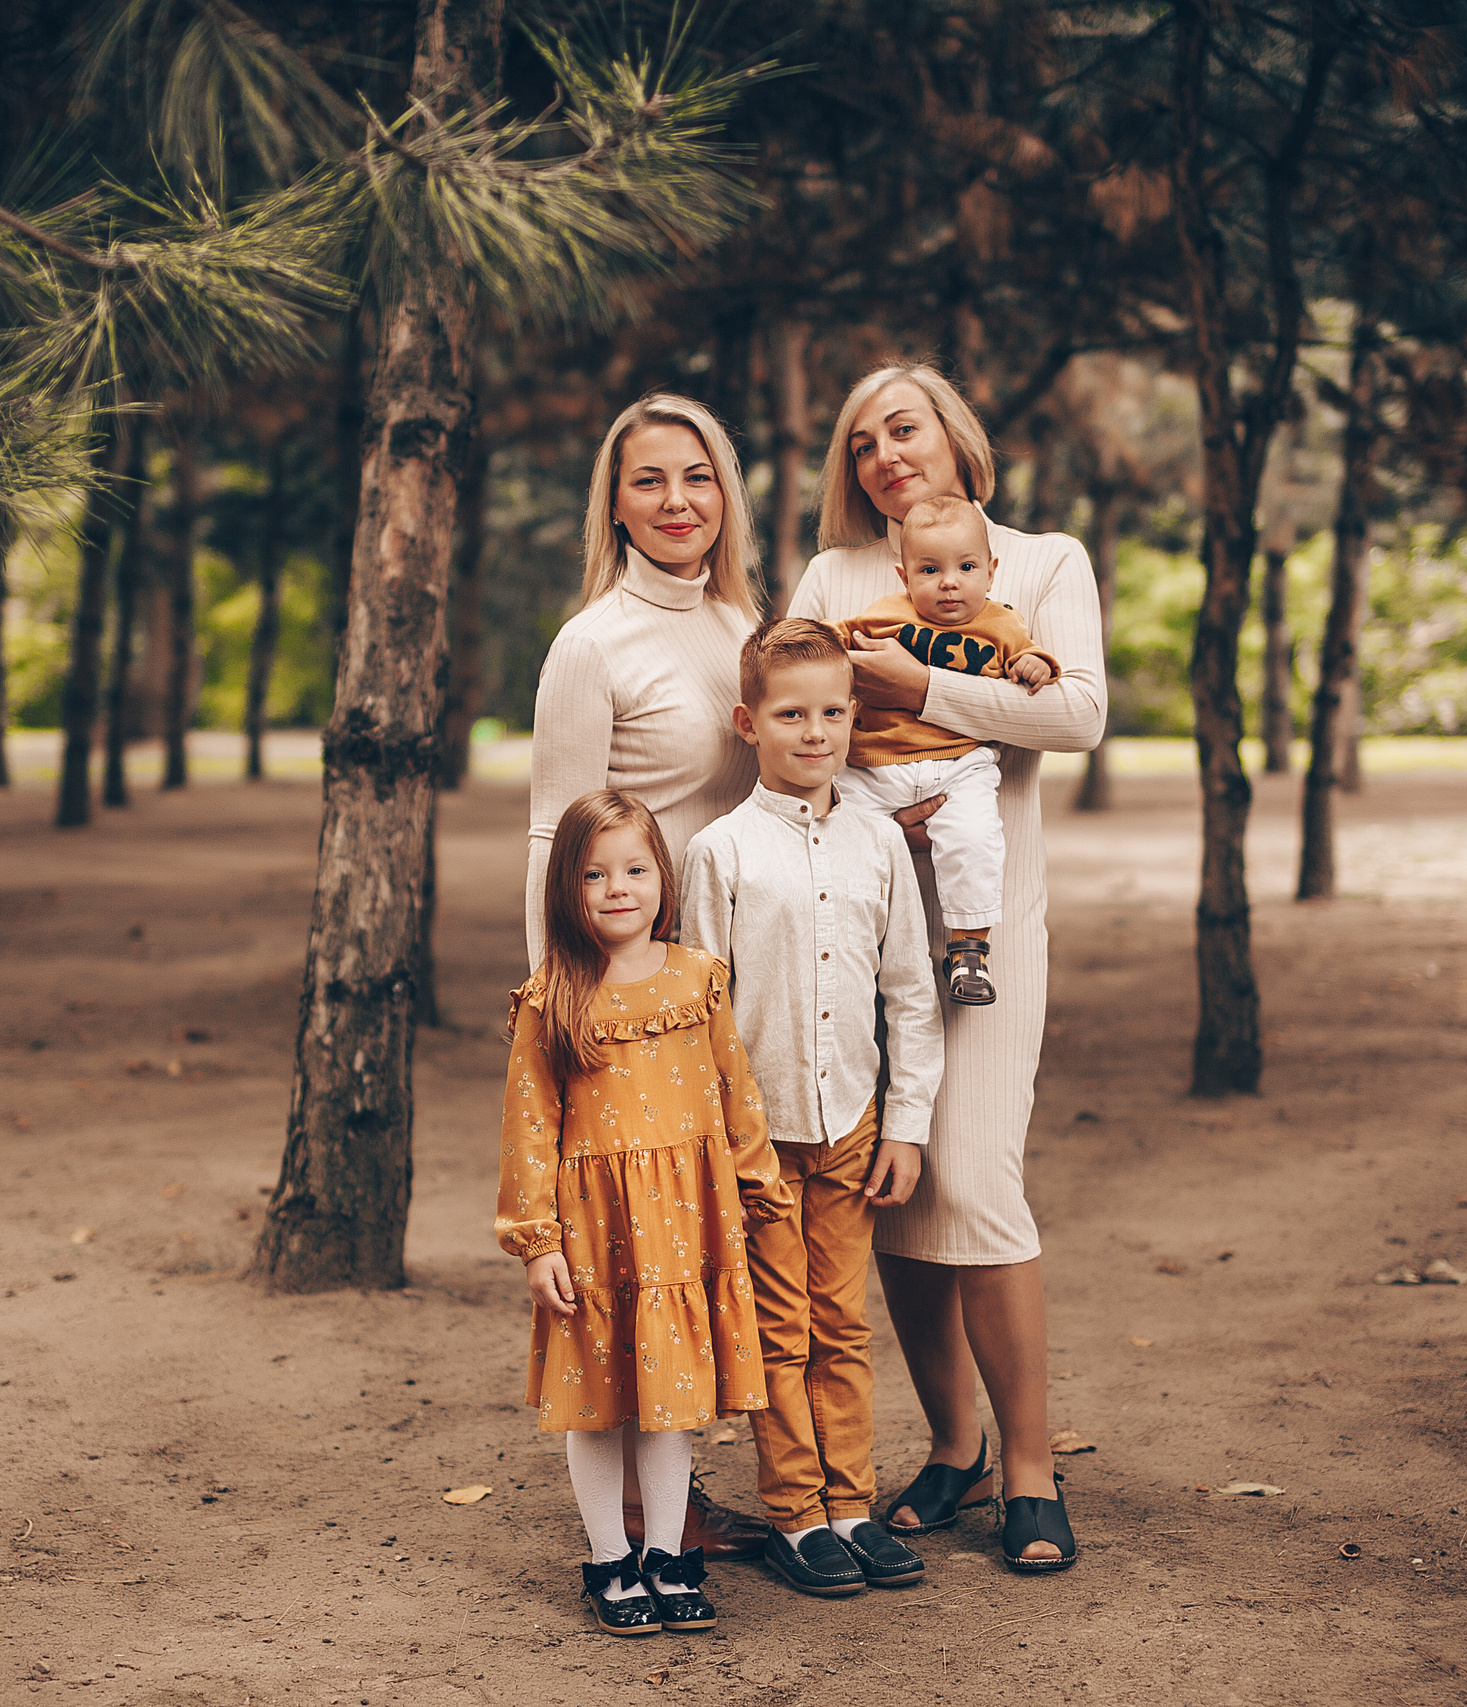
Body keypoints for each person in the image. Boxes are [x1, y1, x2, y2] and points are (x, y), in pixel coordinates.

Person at [787, 361, 1106, 1573]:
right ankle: (954, 1445)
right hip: (861, 930)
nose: (883, 453)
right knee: (895, 1197)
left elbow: (1077, 714)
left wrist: (922, 686)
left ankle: (1034, 1470)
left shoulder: (1040, 563)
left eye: (902, 427)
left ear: (957, 436)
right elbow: (798, 719)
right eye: (860, 440)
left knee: (972, 1183)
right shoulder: (834, 579)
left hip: (983, 928)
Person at [524, 392, 773, 1559]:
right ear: (612, 504)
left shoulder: (743, 621)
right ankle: (630, 1523)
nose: (677, 503)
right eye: (648, 482)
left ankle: (689, 1493)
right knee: (629, 1248)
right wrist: (557, 1015)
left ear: (725, 491)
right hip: (625, 1007)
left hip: (731, 979)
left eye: (698, 478)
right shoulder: (593, 643)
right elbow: (551, 835)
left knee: (704, 1240)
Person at [678, 619, 945, 1598]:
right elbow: (701, 1010)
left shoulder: (878, 841)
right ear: (750, 723)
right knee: (780, 1328)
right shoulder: (719, 852)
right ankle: (796, 1514)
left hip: (854, 1130)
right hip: (760, 1137)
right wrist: (718, 1141)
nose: (816, 731)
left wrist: (906, 1125)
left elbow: (910, 987)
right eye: (792, 714)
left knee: (843, 1322)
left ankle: (852, 1505)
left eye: (834, 712)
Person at [496, 789, 791, 1635]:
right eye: (594, 873)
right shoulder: (552, 997)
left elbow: (735, 1092)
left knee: (671, 1399)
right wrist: (537, 1241)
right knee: (598, 1399)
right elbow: (528, 1130)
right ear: (567, 888)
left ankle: (668, 1553)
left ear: (662, 874)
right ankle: (608, 1558)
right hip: (592, 1231)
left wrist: (758, 1187)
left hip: (684, 1225)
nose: (617, 887)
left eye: (634, 868)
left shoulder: (697, 978)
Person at [833, 493, 1060, 1005]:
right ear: (904, 576)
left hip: (960, 765)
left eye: (966, 566)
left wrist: (1036, 666)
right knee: (843, 833)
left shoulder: (1003, 624)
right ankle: (848, 938)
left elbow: (1029, 657)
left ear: (991, 570)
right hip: (876, 762)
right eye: (930, 569)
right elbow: (831, 640)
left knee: (975, 837)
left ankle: (969, 949)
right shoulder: (884, 615)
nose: (949, 581)